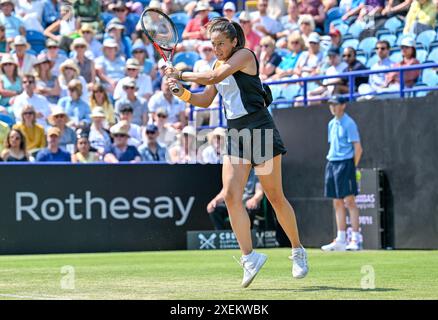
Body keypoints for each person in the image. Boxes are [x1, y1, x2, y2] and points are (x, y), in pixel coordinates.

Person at [165, 17, 308, 287]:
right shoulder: (216, 64)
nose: (217, 48)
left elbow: (214, 77)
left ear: (233, 41)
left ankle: (297, 250)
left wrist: (179, 72)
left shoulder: (244, 55)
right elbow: (205, 99)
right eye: (213, 44)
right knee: (231, 196)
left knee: (275, 197)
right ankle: (249, 257)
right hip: (236, 133)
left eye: (221, 43)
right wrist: (181, 92)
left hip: (259, 130)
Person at [321, 96, 363, 252]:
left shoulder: (349, 123)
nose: (332, 107)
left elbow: (358, 149)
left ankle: (355, 239)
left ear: (343, 106)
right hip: (332, 163)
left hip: (346, 164)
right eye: (331, 104)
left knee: (350, 201)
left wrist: (352, 167)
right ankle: (341, 239)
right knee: (337, 202)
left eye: (335, 104)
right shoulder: (331, 123)